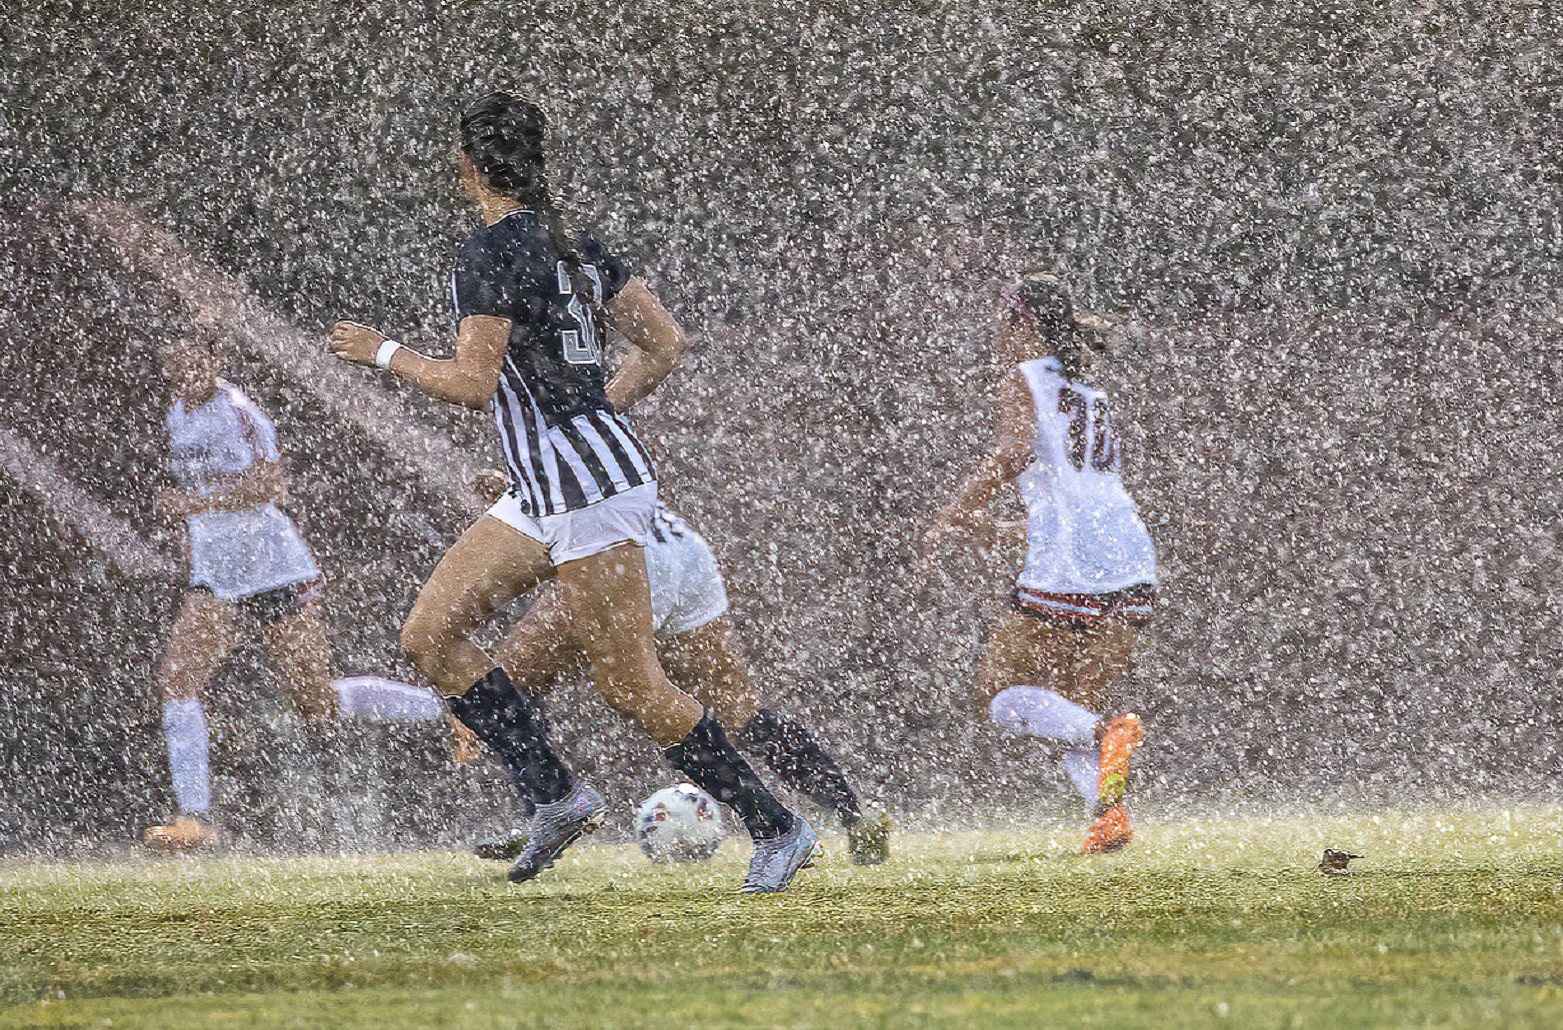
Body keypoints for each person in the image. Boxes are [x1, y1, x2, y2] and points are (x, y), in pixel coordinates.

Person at [327, 91, 815, 891]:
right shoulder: (573, 240)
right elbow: (666, 342)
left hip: (587, 490)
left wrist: (383, 353)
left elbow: (474, 383)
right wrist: (594, 421)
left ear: (468, 164)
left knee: (630, 684)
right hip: (556, 482)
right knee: (428, 637)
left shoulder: (487, 250)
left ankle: (779, 827)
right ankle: (554, 796)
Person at [142, 330, 455, 853]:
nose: (182, 365)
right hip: (217, 575)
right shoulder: (177, 413)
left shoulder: (239, 410)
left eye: (192, 354)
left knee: (316, 701)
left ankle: (448, 711)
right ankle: (195, 817)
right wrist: (196, 519)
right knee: (178, 680)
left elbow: (270, 486)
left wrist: (193, 504)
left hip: (271, 568)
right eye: (173, 355)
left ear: (213, 356)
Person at [473, 486, 895, 865]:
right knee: (739, 712)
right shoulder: (592, 424)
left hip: (611, 550)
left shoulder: (529, 415)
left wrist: (515, 490)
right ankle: (853, 813)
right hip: (673, 543)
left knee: (509, 686)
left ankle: (547, 813)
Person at [919, 274, 1156, 854]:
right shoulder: (1089, 390)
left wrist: (951, 514)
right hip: (1129, 551)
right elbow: (1077, 486)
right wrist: (1010, 529)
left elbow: (1015, 453)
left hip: (1071, 559)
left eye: (1004, 321)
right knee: (1072, 704)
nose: (998, 334)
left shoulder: (1024, 378)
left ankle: (1109, 734)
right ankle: (1108, 817)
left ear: (1020, 322)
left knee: (1001, 694)